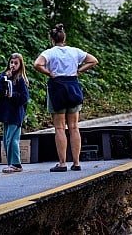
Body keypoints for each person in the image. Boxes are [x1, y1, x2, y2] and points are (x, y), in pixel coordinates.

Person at [34, 23, 98, 172]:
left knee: (60, 127)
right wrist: (79, 71)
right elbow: (93, 60)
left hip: (57, 87)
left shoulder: (49, 52)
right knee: (74, 127)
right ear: (64, 38)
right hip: (72, 86)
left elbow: (37, 64)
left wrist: (49, 73)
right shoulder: (75, 51)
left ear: (52, 39)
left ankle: (62, 163)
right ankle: (76, 162)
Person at [0, 53, 30, 173]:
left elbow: (24, 98)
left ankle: (16, 163)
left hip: (15, 113)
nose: (13, 65)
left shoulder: (20, 80)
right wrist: (3, 78)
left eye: (16, 63)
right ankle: (11, 163)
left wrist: (12, 94)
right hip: (6, 113)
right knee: (6, 138)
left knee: (12, 139)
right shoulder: (5, 76)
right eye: (11, 63)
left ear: (20, 65)